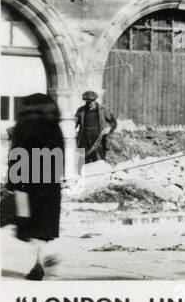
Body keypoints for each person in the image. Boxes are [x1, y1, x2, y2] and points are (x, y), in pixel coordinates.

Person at [8, 93, 66, 280]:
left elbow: (16, 154)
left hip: (27, 182)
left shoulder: (23, 125)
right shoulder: (54, 125)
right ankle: (40, 259)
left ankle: (39, 261)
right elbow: (60, 153)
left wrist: (13, 182)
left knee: (28, 222)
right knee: (44, 224)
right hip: (48, 182)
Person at [74, 90, 117, 166]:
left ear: (95, 100)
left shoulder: (103, 110)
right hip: (84, 143)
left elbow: (114, 122)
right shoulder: (81, 111)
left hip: (98, 143)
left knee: (99, 165)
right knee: (81, 167)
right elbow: (73, 124)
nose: (89, 104)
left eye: (91, 102)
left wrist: (109, 128)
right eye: (87, 102)